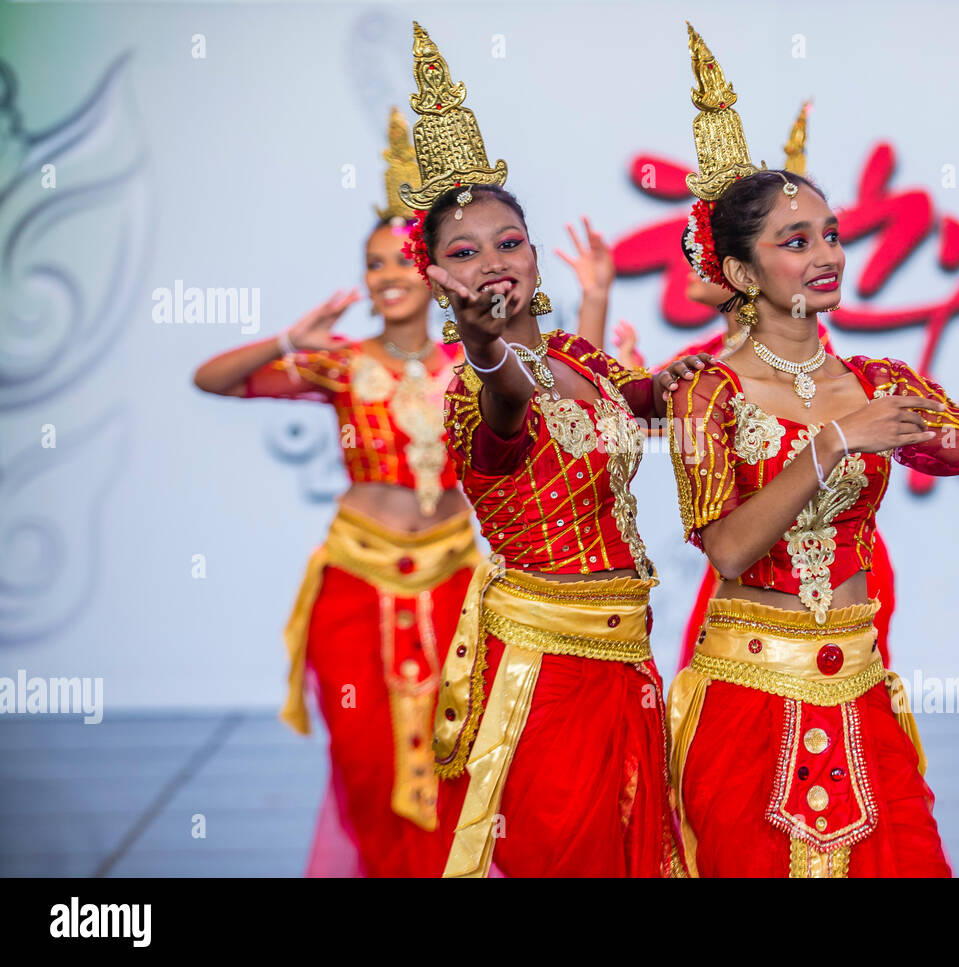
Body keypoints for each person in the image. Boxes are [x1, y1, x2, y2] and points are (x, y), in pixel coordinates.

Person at [666, 24, 959, 877]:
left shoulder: (880, 378)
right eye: (795, 242)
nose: (827, 255)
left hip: (861, 693)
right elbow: (729, 547)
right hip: (747, 697)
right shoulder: (708, 390)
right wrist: (838, 439)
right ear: (739, 272)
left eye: (831, 234)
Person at [394, 23, 702, 877]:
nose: (494, 261)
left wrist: (692, 375)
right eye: (465, 253)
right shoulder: (473, 384)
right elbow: (505, 401)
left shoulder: (577, 359)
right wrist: (480, 338)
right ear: (439, 278)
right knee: (563, 855)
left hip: (627, 654)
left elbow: (634, 400)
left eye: (509, 242)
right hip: (542, 671)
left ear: (533, 253)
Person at [192, 108, 478, 876]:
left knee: (463, 758)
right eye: (374, 265)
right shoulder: (340, 363)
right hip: (357, 583)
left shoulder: (475, 364)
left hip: (457, 583)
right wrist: (290, 339)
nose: (386, 278)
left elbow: (568, 400)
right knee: (365, 758)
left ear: (437, 271)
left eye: (402, 262)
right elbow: (213, 379)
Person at [558, 101, 897, 675]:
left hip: (845, 568)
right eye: (697, 249)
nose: (696, 262)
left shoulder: (832, 369)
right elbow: (588, 420)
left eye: (705, 251)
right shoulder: (699, 378)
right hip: (749, 579)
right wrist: (596, 303)